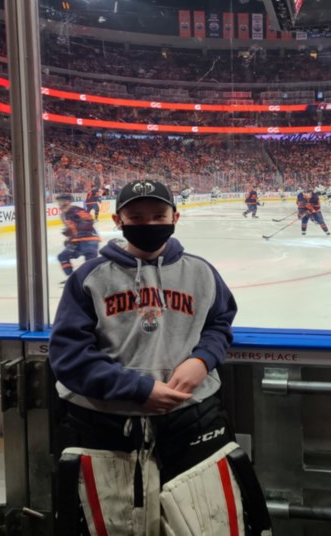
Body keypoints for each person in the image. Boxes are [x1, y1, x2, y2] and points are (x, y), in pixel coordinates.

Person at [49, 179, 271, 534]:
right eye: (136, 216)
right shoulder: (90, 277)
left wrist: (202, 360)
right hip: (104, 423)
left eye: (158, 216)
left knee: (204, 520)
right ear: (118, 220)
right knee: (119, 523)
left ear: (175, 217)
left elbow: (219, 324)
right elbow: (69, 356)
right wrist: (136, 389)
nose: (149, 224)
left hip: (192, 418)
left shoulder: (201, 272)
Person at [55, 193, 101, 285]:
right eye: (59, 201)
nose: (60, 203)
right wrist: (69, 235)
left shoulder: (76, 210)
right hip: (81, 241)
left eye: (63, 201)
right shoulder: (63, 214)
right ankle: (75, 279)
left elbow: (89, 220)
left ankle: (87, 281)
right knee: (63, 256)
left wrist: (76, 234)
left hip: (88, 240)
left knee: (89, 262)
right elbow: (73, 228)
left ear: (69, 202)